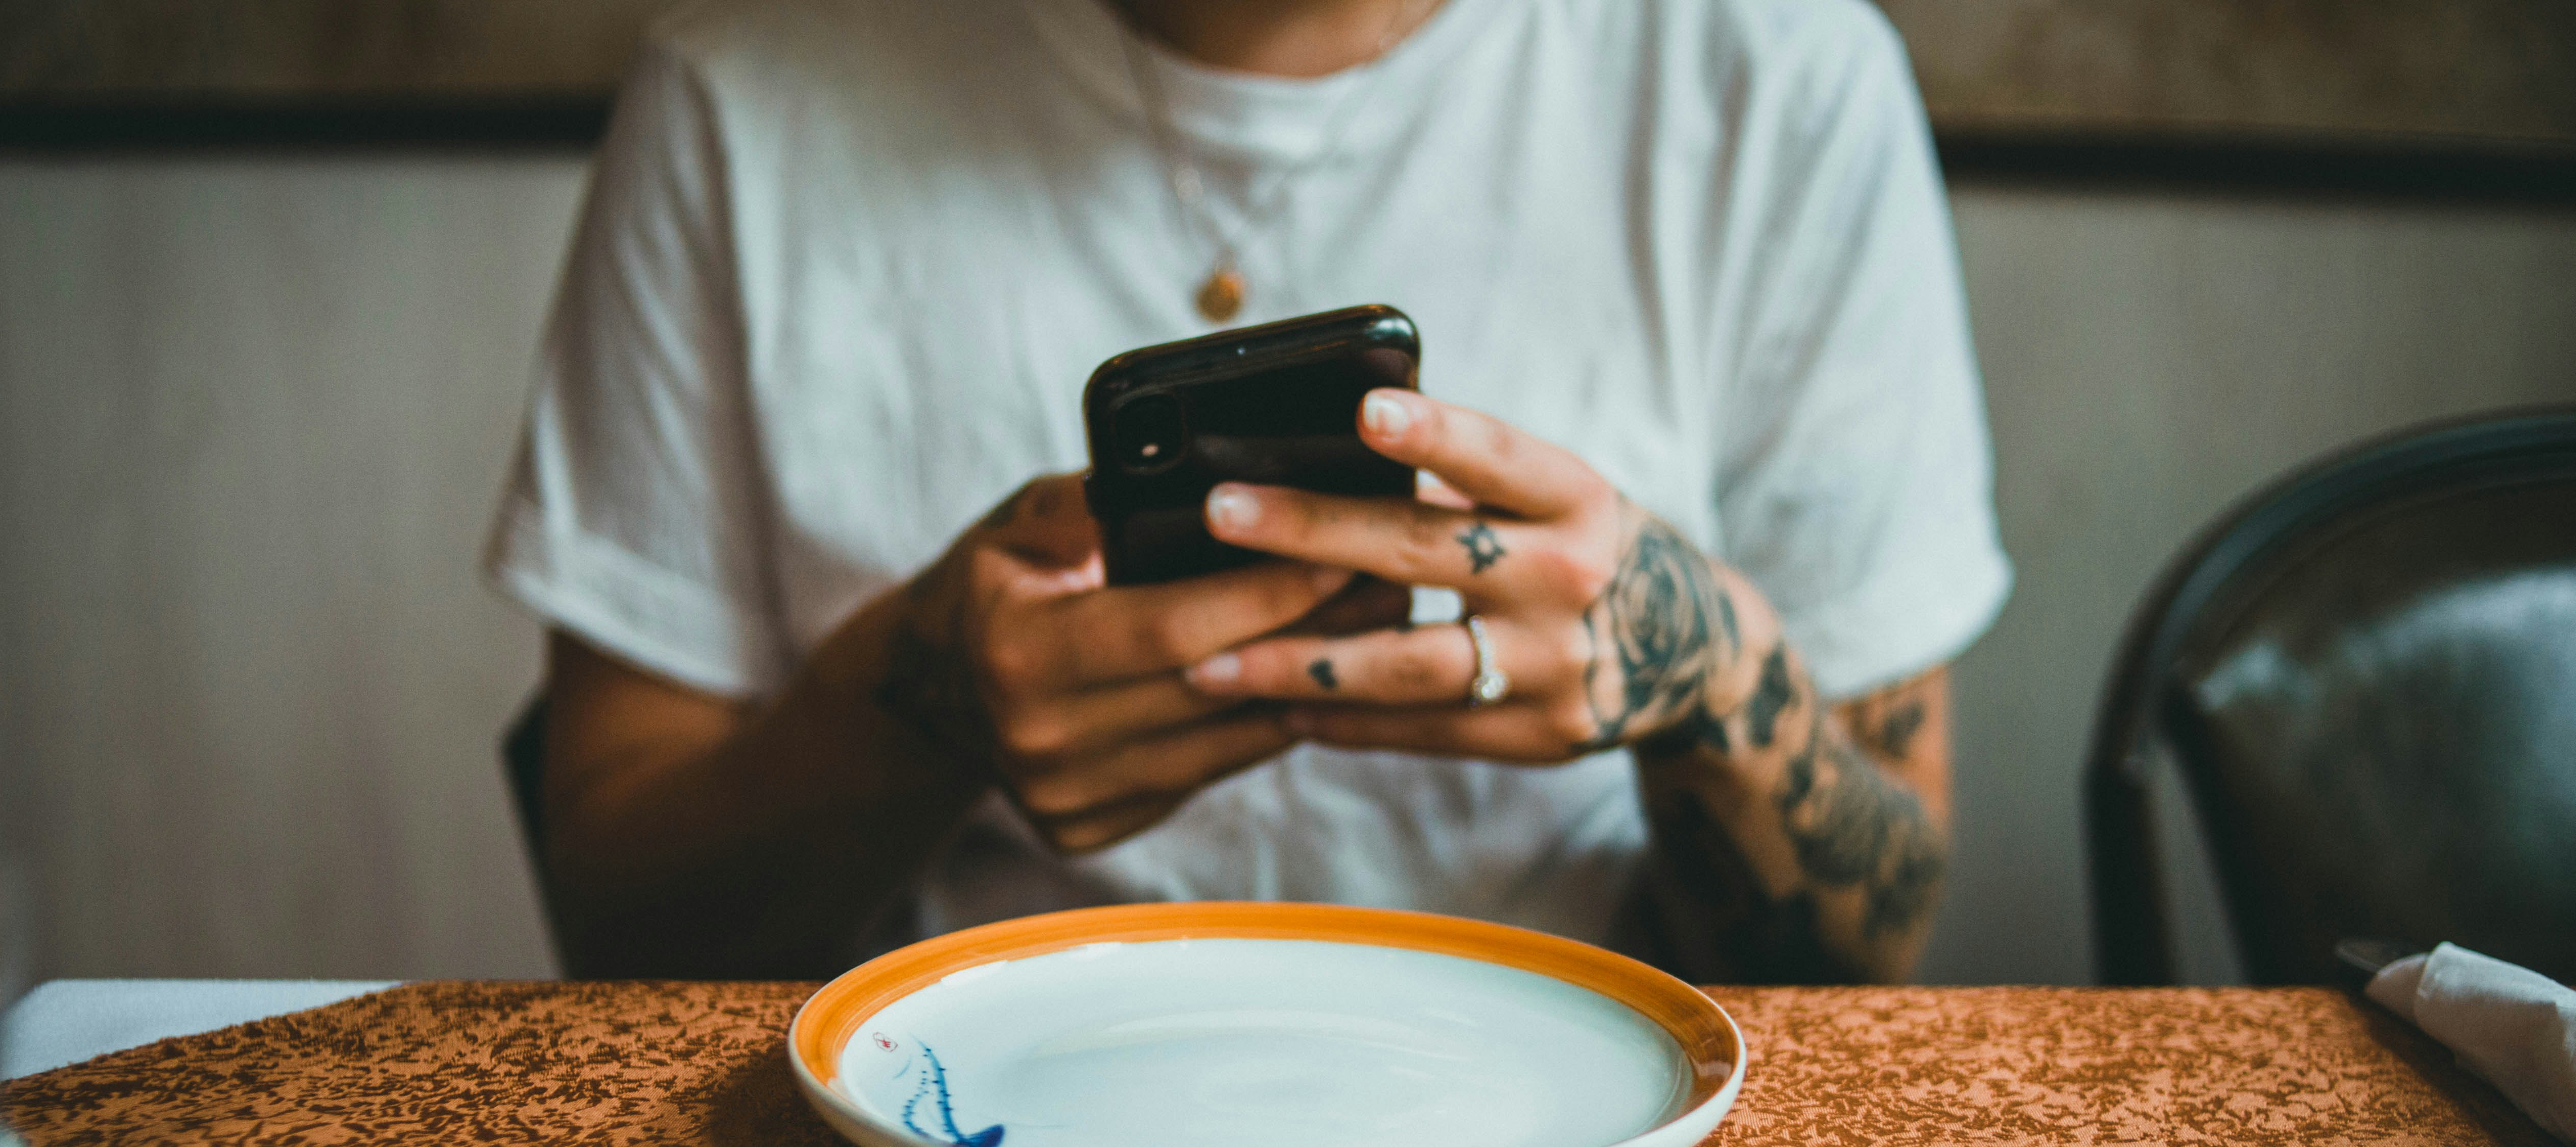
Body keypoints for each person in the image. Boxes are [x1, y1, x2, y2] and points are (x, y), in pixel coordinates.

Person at [483, 0, 2010, 983]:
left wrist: (1692, 662)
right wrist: (920, 699)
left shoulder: (1776, 87)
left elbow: (1871, 948)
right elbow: (619, 925)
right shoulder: (743, 96)